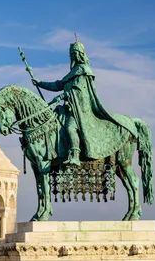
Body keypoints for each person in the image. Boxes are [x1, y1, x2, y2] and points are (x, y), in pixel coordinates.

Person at [32, 37, 132, 166]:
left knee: (70, 127)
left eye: (75, 54)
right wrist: (39, 83)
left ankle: (75, 155)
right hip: (69, 108)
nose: (73, 56)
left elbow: (79, 91)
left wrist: (63, 96)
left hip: (80, 110)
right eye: (71, 54)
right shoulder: (72, 73)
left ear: (81, 54)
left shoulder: (83, 70)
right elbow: (57, 85)